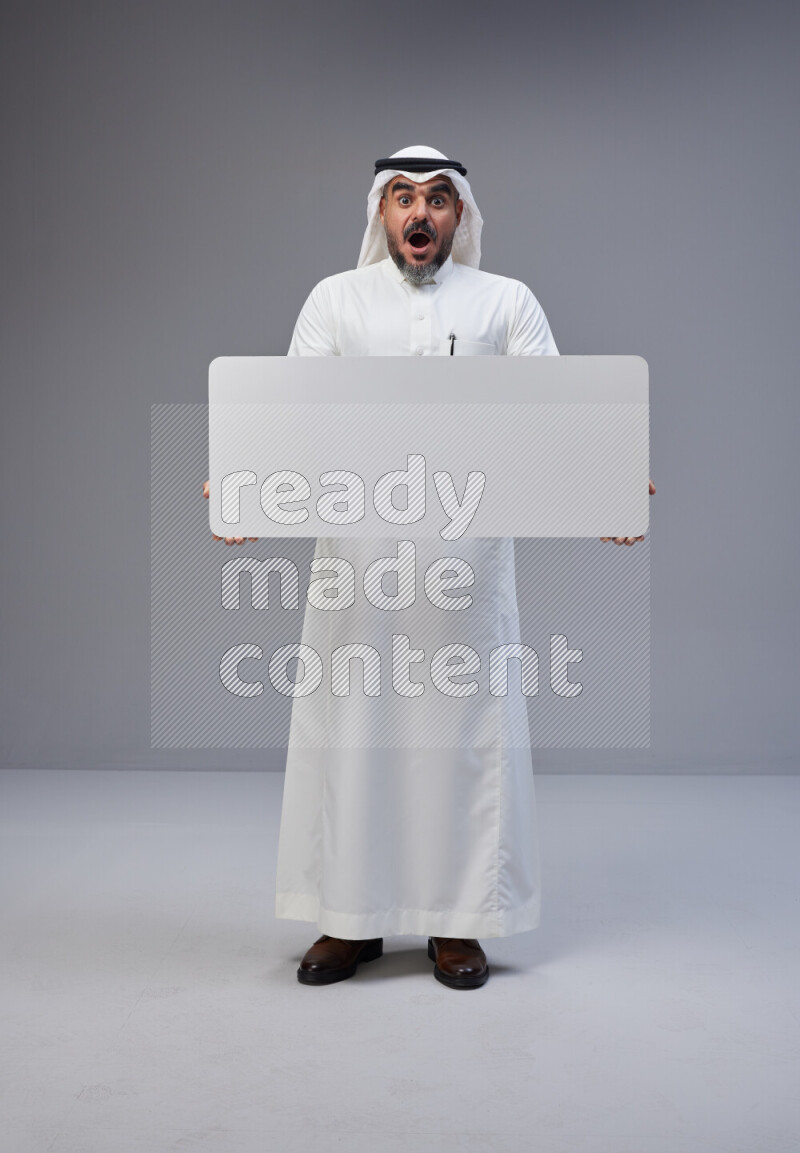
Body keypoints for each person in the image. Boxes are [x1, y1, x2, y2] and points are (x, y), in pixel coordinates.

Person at [203, 144, 653, 990]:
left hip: (464, 575)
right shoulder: (334, 301)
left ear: (461, 216)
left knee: (462, 743)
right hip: (357, 574)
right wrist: (241, 482)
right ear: (380, 212)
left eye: (439, 199)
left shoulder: (505, 303)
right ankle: (349, 920)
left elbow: (560, 412)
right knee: (356, 737)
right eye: (404, 197)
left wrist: (613, 482)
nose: (420, 213)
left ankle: (458, 925)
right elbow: (289, 414)